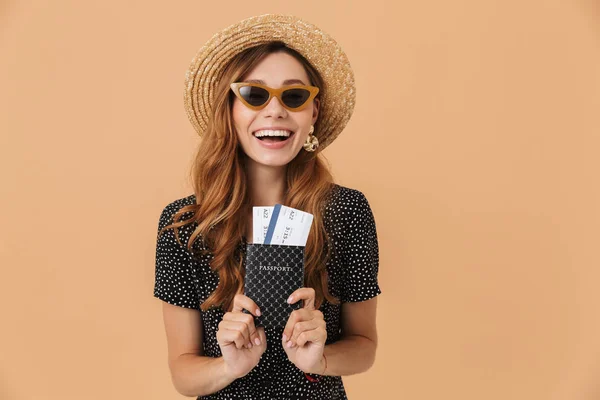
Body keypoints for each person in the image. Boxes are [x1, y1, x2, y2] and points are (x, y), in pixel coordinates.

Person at [153, 14, 382, 399]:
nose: (275, 111)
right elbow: (182, 372)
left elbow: (365, 346)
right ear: (230, 110)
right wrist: (228, 366)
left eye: (294, 97)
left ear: (314, 113)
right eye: (254, 95)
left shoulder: (346, 212)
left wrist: (321, 359)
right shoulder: (184, 226)